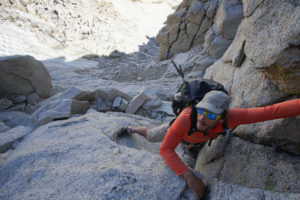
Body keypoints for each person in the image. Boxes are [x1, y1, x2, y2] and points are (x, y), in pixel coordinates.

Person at [115, 90, 300, 199]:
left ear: (222, 116)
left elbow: (270, 112)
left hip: (201, 140)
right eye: (202, 110)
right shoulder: (188, 117)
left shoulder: (233, 117)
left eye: (211, 115)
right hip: (182, 133)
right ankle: (133, 129)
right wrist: (187, 174)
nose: (203, 117)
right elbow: (166, 149)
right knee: (151, 135)